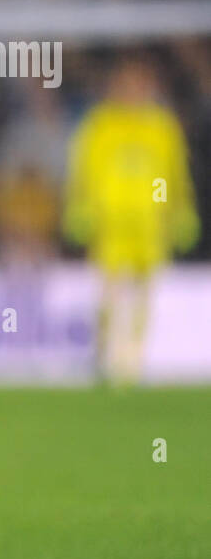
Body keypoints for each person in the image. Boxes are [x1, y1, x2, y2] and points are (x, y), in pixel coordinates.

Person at [63, 60, 199, 384]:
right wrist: (79, 208)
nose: (133, 91)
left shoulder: (162, 128)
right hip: (110, 223)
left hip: (149, 224)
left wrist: (178, 211)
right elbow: (82, 171)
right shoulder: (101, 126)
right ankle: (105, 353)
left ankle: (133, 361)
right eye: (127, 84)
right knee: (108, 291)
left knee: (142, 292)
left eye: (140, 84)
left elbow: (173, 176)